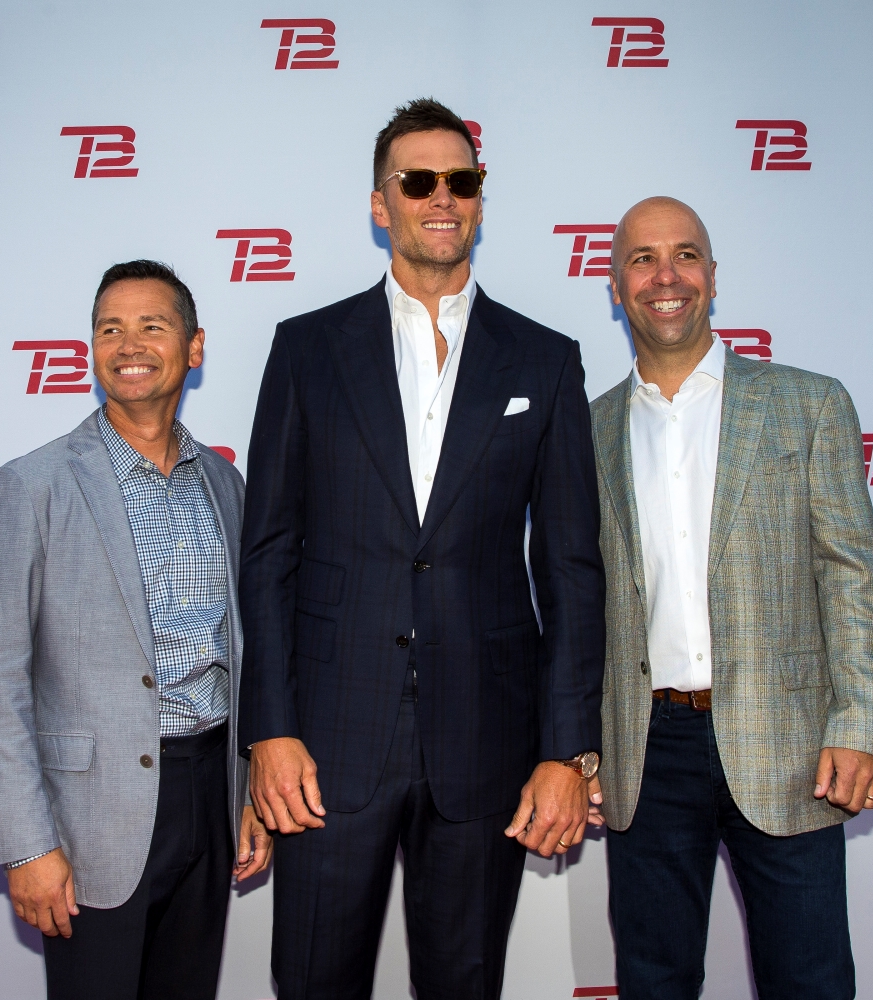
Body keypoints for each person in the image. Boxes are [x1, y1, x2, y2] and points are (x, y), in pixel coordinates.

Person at [238, 98, 606, 1000]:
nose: (441, 197)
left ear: (480, 199)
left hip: (486, 739)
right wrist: (269, 731)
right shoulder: (307, 349)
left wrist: (567, 750)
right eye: (418, 181)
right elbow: (269, 553)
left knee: (466, 984)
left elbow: (570, 569)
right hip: (326, 743)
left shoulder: (544, 361)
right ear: (381, 203)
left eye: (461, 180)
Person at [590, 197, 873, 999]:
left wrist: (860, 725)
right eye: (643, 259)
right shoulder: (587, 429)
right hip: (645, 750)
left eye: (685, 256)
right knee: (654, 981)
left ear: (713, 277)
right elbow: (577, 601)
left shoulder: (809, 404)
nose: (666, 276)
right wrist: (581, 747)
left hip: (791, 745)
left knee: (811, 980)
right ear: (616, 285)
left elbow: (854, 577)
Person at [0, 260, 269, 1000]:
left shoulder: (226, 486)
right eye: (110, 328)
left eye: (152, 326)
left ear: (194, 348)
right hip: (91, 818)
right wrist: (28, 845)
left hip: (208, 796)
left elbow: (244, 653)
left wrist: (247, 788)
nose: (129, 343)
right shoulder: (28, 487)